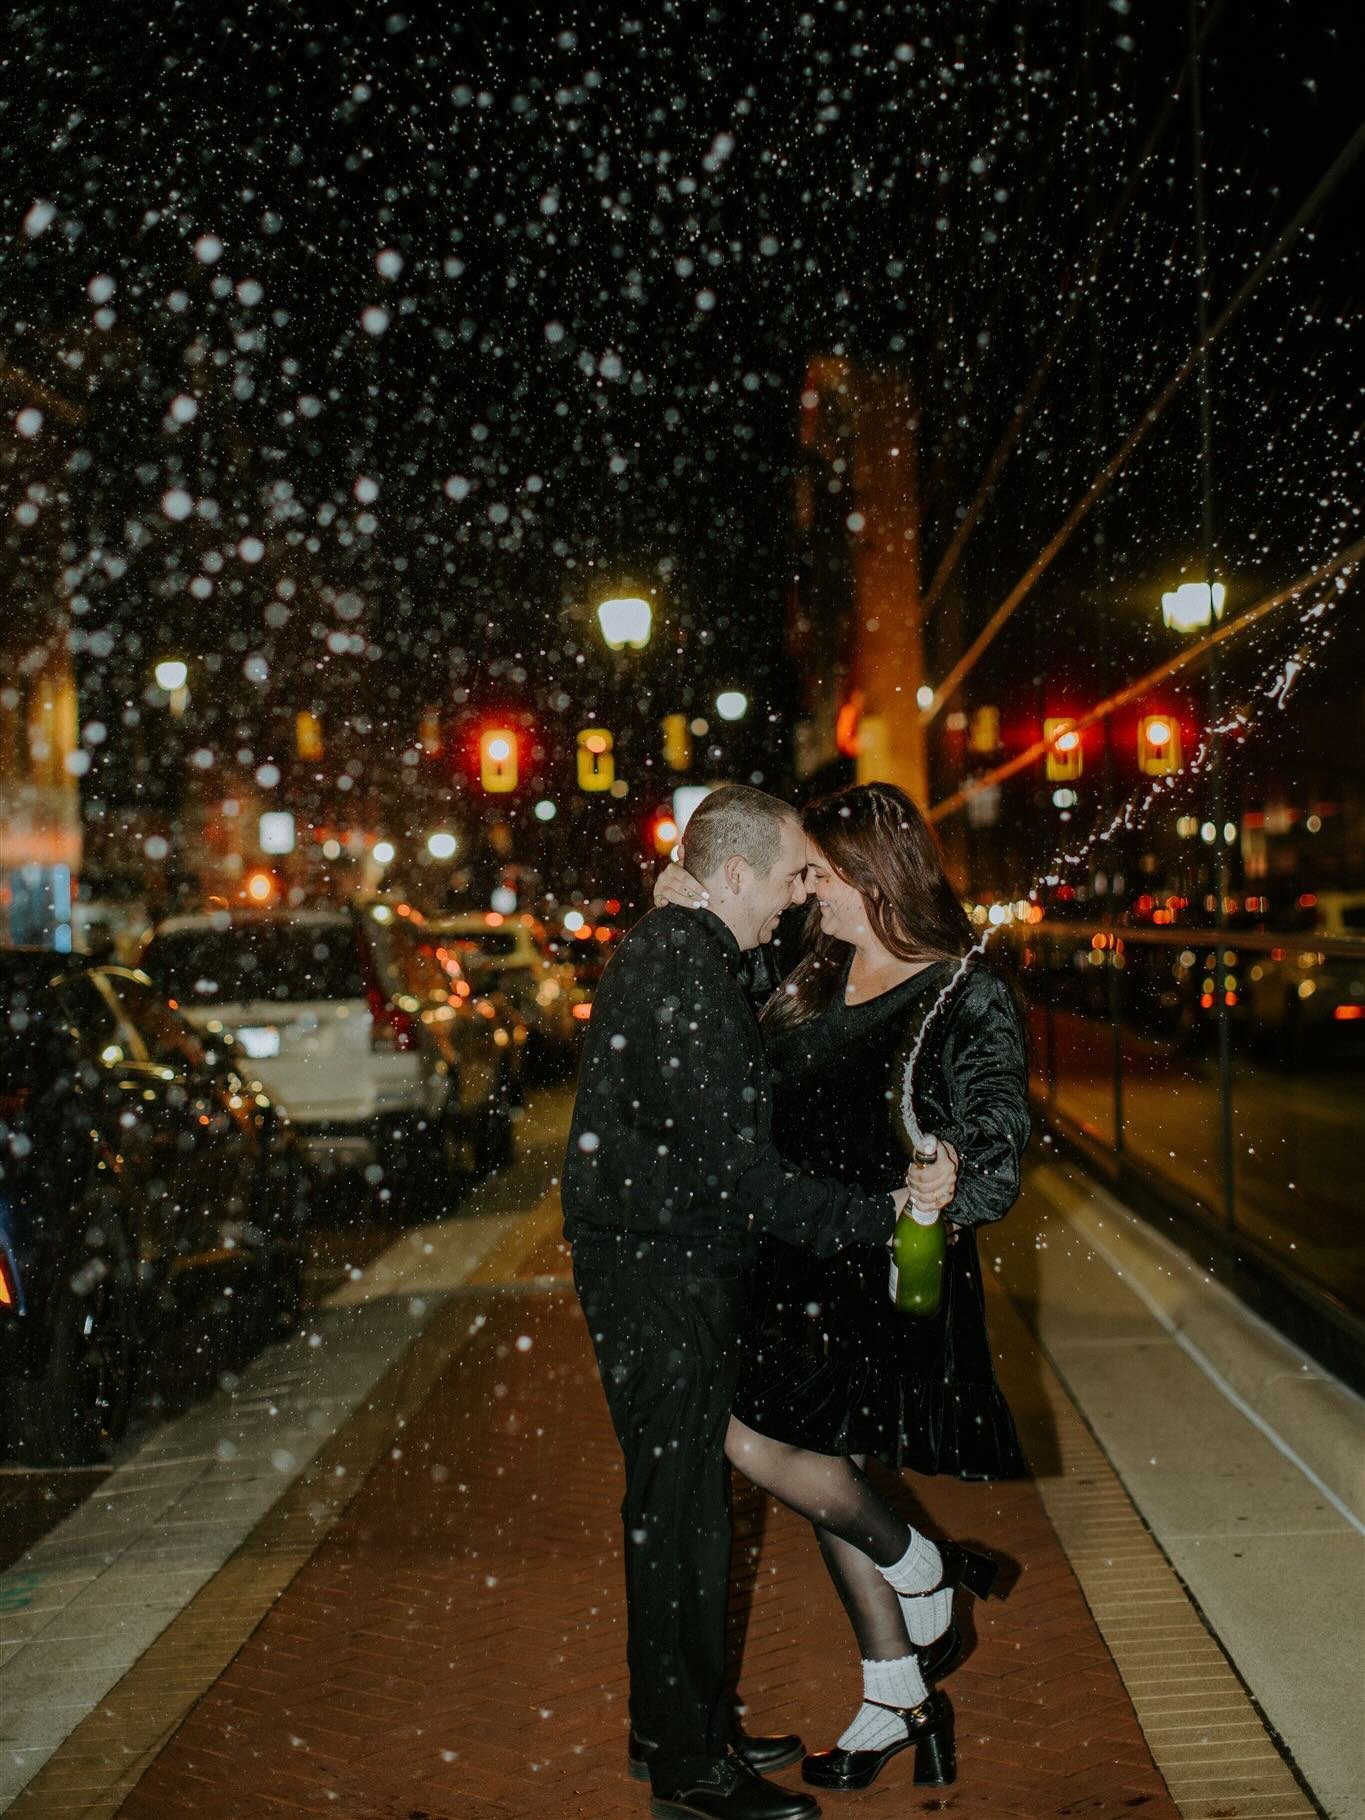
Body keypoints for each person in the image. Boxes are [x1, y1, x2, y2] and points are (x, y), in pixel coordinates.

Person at [564, 784, 944, 1820]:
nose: (793, 899)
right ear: (734, 876)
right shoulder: (683, 970)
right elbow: (747, 1179)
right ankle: (691, 1769)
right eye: (786, 878)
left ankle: (674, 1724)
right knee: (682, 1516)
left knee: (674, 1509)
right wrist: (881, 1213)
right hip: (660, 1272)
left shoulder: (684, 952)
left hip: (653, 1260)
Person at [654, 780, 1030, 1795]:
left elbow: (1000, 1140)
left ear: (872, 875)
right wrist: (684, 901)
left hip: (876, 1263)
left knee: (757, 1435)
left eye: (818, 868)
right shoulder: (807, 965)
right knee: (816, 1460)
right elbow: (720, 1007)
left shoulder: (962, 990)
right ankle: (898, 1680)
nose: (803, 884)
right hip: (792, 1252)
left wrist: (955, 1171)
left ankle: (919, 1570)